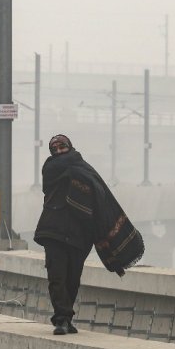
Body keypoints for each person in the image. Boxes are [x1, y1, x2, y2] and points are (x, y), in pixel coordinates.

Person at [34, 134, 145, 335]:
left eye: (62, 147)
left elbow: (100, 197)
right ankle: (61, 319)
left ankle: (67, 318)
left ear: (70, 147)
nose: (59, 151)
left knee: (73, 278)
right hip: (54, 231)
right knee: (57, 277)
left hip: (79, 235)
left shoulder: (84, 169)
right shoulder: (50, 169)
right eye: (55, 148)